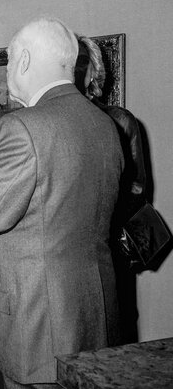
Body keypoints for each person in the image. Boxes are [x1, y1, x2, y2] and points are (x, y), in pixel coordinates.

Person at [0, 17, 123, 389]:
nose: (9, 71)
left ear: (24, 59)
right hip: (92, 314)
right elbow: (61, 198)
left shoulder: (22, 125)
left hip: (37, 325)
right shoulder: (104, 124)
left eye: (9, 61)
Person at [75, 34, 147, 342]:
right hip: (67, 252)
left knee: (116, 329)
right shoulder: (46, 122)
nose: (75, 71)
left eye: (81, 63)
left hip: (111, 249)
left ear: (94, 72)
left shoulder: (120, 120)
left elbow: (139, 189)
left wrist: (100, 220)